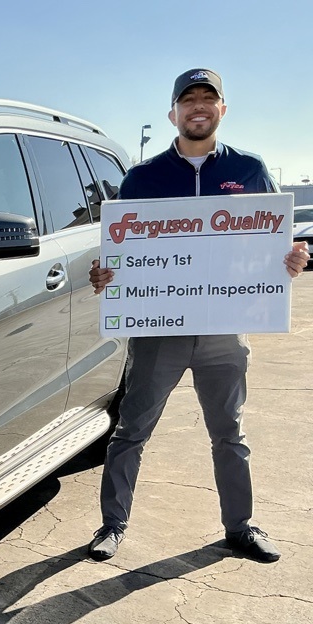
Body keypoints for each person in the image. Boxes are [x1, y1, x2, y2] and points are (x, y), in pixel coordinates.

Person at [88, 68, 309, 563]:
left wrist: (290, 262)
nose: (199, 106)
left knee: (229, 433)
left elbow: (272, 248)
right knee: (130, 430)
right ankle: (112, 525)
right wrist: (106, 274)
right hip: (157, 332)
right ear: (174, 113)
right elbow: (119, 253)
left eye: (209, 98)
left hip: (222, 332)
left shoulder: (250, 171)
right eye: (188, 99)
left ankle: (241, 526)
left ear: (222, 110)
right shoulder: (142, 178)